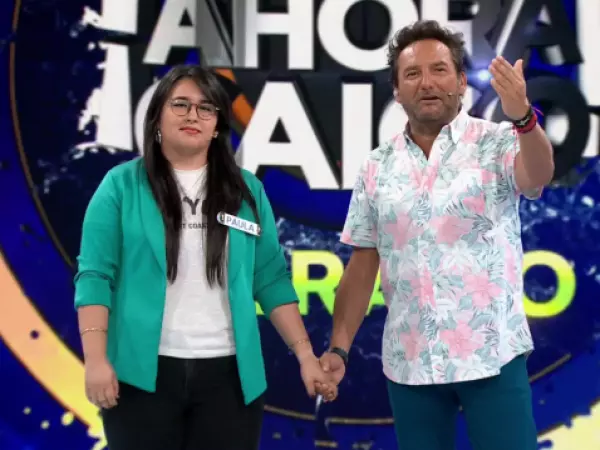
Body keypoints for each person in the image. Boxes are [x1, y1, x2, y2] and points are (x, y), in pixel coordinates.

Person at [319, 20, 554, 450]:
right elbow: (364, 262)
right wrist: (338, 349)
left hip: (492, 356)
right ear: (397, 91)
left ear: (461, 82)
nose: (427, 82)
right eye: (412, 73)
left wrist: (522, 117)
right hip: (411, 364)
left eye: (439, 70)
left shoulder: (498, 141)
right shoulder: (377, 165)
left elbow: (538, 174)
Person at [74, 64, 335, 450]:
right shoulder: (120, 186)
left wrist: (306, 356)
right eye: (180, 104)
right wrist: (96, 360)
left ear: (217, 127)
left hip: (230, 380)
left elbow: (270, 279)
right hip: (140, 376)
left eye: (206, 108)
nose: (193, 115)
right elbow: (95, 276)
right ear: (157, 117)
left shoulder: (247, 191)